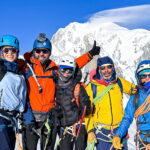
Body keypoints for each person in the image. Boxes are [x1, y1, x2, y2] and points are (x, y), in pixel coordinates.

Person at [20, 33, 100, 150]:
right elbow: (8, 62)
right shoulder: (26, 68)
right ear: (33, 51)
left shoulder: (54, 70)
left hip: (49, 119)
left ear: (49, 53)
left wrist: (90, 55)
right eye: (38, 51)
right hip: (31, 119)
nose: (41, 54)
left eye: (45, 51)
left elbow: (71, 65)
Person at [85, 56, 137, 150]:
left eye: (109, 67)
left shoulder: (119, 82)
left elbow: (135, 90)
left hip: (120, 130)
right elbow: (88, 111)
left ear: (113, 67)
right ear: (98, 69)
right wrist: (90, 131)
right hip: (102, 133)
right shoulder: (92, 87)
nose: (106, 70)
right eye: (103, 68)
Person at [51, 54, 91, 150]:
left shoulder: (78, 87)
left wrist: (87, 105)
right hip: (64, 127)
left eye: (70, 71)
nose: (66, 73)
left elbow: (87, 110)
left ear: (73, 72)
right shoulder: (54, 85)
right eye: (64, 69)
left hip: (79, 127)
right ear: (59, 69)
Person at [113, 60, 150, 150]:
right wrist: (118, 134)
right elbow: (127, 118)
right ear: (139, 78)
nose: (147, 78)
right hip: (144, 139)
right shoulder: (135, 97)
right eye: (143, 76)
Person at [0, 35, 28, 150]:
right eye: (6, 50)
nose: (10, 53)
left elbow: (22, 97)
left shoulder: (20, 74)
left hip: (13, 119)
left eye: (13, 50)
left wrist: (23, 116)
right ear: (1, 51)